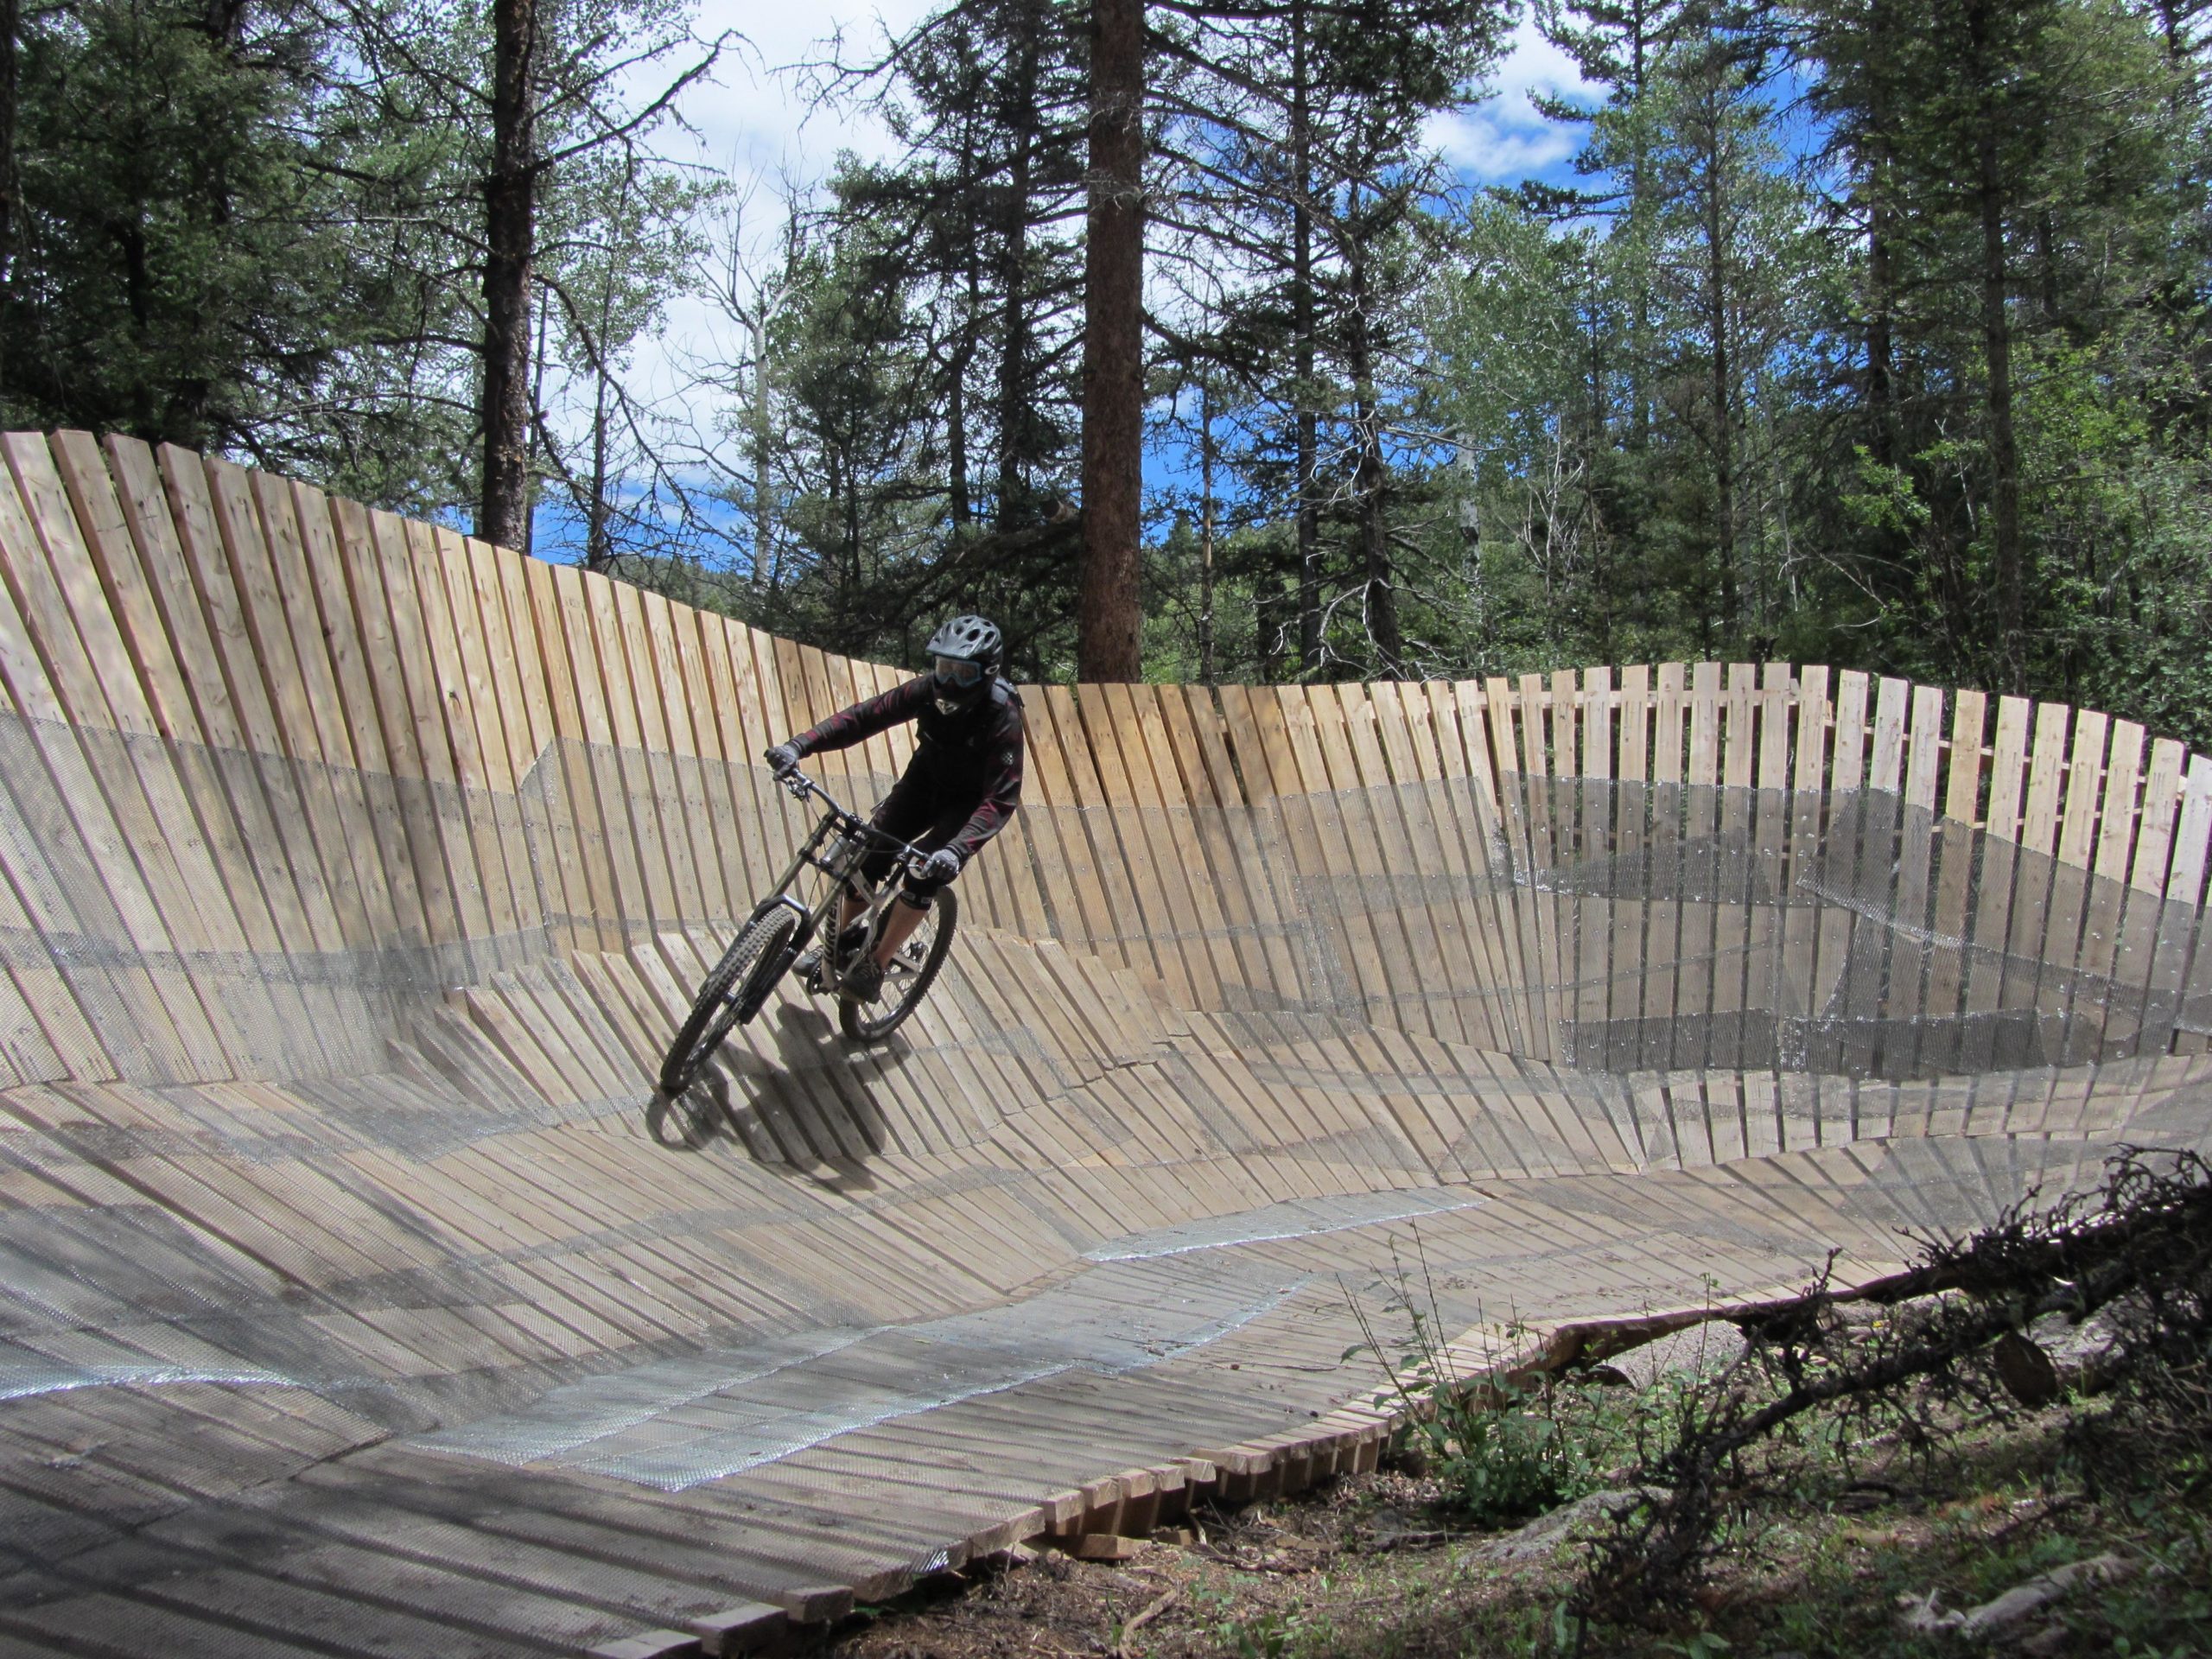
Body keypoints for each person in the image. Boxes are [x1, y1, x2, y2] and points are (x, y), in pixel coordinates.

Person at [763, 615, 1023, 1002]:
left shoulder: (1003, 716)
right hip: (923, 783)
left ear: (987, 674)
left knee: (923, 875)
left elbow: (1000, 798)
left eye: (962, 673)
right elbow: (863, 718)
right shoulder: (924, 691)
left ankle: (876, 962)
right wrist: (799, 746)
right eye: (943, 668)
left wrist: (956, 849)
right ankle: (836, 951)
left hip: (967, 805)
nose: (949, 682)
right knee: (866, 859)